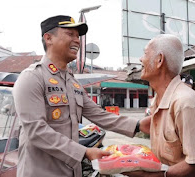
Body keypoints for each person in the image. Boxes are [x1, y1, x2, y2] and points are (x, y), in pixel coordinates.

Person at [13, 15, 145, 177]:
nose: (77, 40)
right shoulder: (32, 77)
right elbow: (36, 130)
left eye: (78, 36)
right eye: (70, 34)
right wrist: (84, 152)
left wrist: (139, 125)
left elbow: (98, 114)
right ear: (48, 38)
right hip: (41, 171)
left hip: (71, 171)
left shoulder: (71, 82)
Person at [124, 34, 195, 177]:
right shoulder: (159, 99)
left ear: (159, 60)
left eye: (145, 53)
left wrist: (150, 176)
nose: (141, 59)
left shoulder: (185, 103)